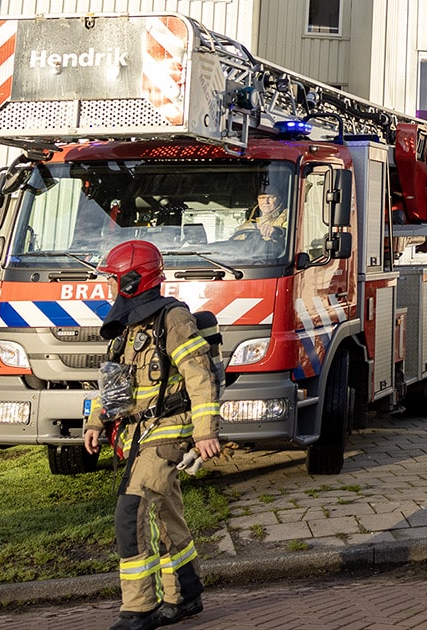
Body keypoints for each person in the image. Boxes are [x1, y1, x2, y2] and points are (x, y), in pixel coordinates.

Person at [82, 240, 223, 630]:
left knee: (132, 511)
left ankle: (139, 609)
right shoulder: (127, 327)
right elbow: (115, 387)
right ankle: (186, 594)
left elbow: (200, 375)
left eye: (112, 280)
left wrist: (205, 432)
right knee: (165, 513)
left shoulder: (173, 319)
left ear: (131, 281)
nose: (108, 287)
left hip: (169, 433)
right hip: (139, 435)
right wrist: (95, 422)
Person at [228, 187, 289, 256]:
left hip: (273, 259)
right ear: (258, 199)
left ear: (279, 198)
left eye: (270, 197)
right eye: (262, 198)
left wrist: (276, 231)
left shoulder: (288, 216)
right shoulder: (250, 221)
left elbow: (290, 234)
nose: (266, 202)